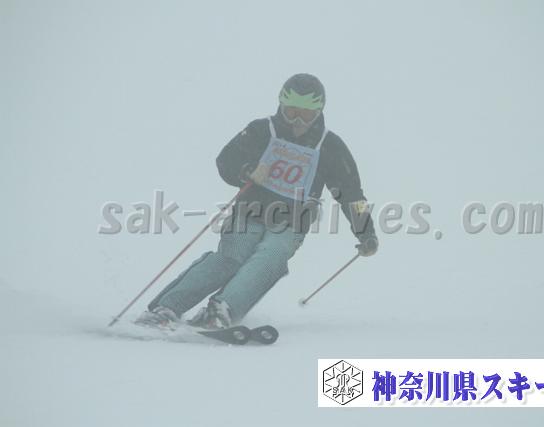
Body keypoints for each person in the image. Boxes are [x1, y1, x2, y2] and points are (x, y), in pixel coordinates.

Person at [136, 73, 378, 329]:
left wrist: (366, 233)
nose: (297, 121)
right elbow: (225, 160)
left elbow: (351, 194)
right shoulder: (261, 130)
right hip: (250, 212)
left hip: (292, 222)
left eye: (306, 115)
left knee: (271, 257)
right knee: (231, 257)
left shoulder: (330, 146)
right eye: (291, 112)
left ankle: (223, 309)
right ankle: (168, 307)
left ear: (319, 112)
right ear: (281, 106)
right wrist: (248, 171)